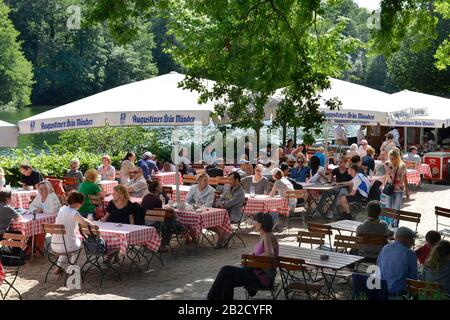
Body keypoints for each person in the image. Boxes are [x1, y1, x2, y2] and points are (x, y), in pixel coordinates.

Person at [207, 212, 279, 300]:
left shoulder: (267, 236)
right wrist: (253, 257)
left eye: (255, 221)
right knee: (228, 280)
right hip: (256, 272)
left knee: (225, 270)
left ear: (261, 224)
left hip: (262, 278)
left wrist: (253, 258)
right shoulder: (265, 235)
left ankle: (210, 298)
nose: (253, 223)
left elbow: (270, 254)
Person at [51, 191, 94, 272]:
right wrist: (91, 222)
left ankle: (58, 267)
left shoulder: (62, 209)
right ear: (78, 203)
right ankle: (72, 267)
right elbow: (84, 222)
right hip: (66, 246)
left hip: (54, 244)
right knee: (78, 244)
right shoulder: (73, 213)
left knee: (67, 242)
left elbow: (80, 218)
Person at [377, 227, 417, 297]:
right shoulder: (409, 253)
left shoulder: (385, 248)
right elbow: (413, 279)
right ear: (405, 239)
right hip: (398, 294)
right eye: (412, 239)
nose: (413, 243)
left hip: (381, 290)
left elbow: (378, 266)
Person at [215, 172, 246, 247]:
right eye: (228, 180)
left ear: (237, 180)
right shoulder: (230, 189)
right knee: (210, 217)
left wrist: (222, 203)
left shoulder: (240, 192)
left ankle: (222, 236)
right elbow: (223, 199)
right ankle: (222, 235)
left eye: (231, 180)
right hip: (225, 213)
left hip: (233, 215)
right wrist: (221, 203)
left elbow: (229, 203)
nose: (229, 182)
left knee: (214, 218)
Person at [383, 148, 409, 227]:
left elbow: (405, 178)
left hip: (399, 189)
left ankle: (396, 224)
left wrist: (407, 191)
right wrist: (383, 185)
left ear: (397, 157)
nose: (392, 160)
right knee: (389, 207)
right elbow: (386, 175)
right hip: (389, 188)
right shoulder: (387, 164)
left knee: (397, 208)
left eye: (393, 158)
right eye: (390, 158)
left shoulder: (402, 165)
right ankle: (390, 223)